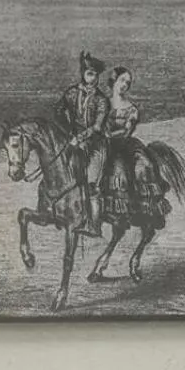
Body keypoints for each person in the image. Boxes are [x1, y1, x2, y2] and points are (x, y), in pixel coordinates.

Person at [105, 66, 167, 221]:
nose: (125, 84)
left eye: (128, 82)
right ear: (113, 80)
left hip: (124, 145)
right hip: (104, 145)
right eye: (122, 80)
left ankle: (141, 210)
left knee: (142, 166)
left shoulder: (131, 109)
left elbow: (127, 132)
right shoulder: (103, 104)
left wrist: (108, 134)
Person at [58, 51, 110, 236]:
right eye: (89, 74)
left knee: (92, 186)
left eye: (95, 74)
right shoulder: (71, 93)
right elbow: (58, 111)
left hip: (95, 145)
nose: (92, 78)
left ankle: (94, 226)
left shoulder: (101, 100)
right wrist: (67, 132)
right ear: (83, 74)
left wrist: (79, 138)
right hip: (73, 141)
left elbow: (97, 127)